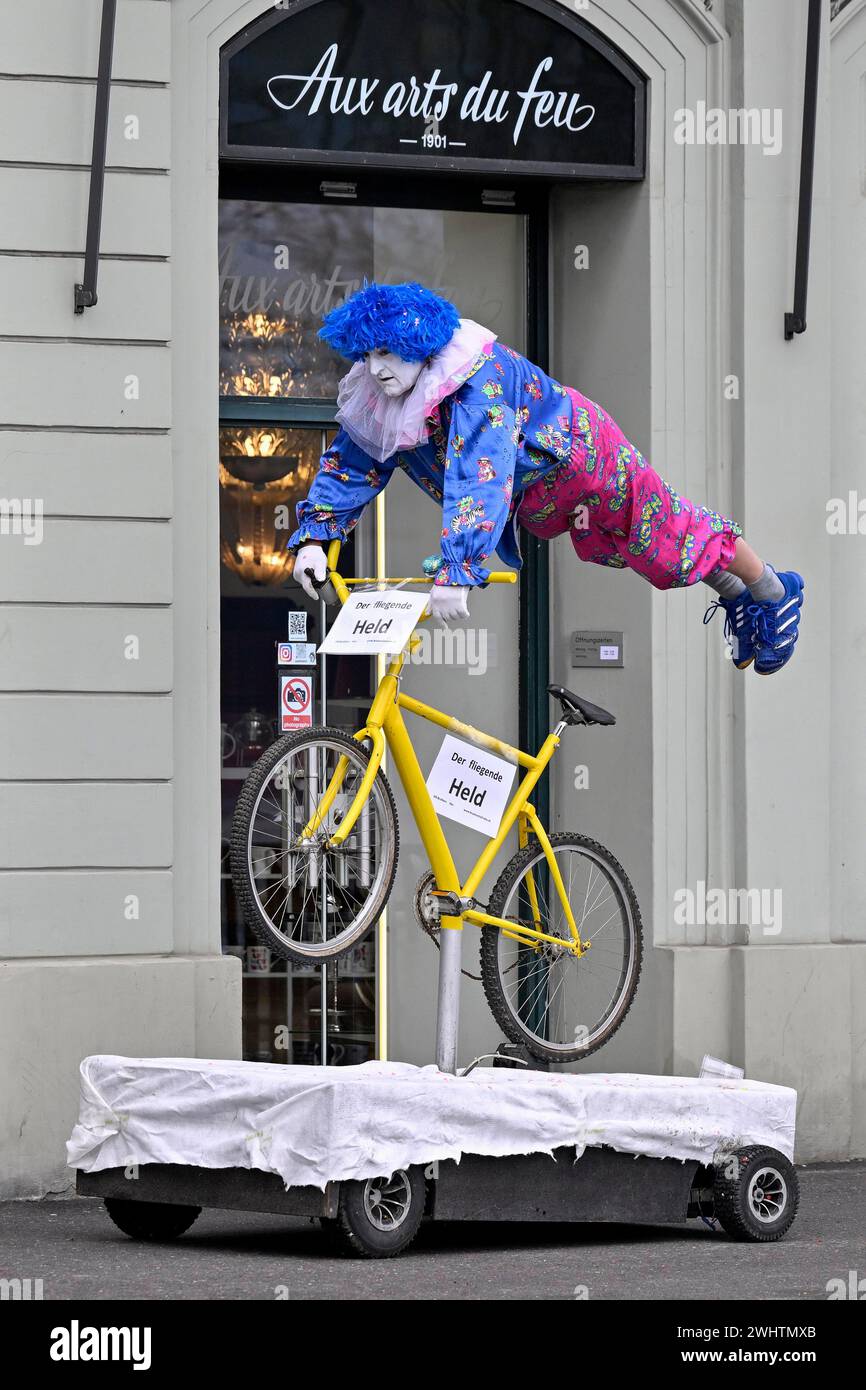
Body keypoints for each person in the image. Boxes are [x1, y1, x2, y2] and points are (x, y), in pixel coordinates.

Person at [287, 282, 804, 674]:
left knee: (661, 538)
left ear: (418, 342)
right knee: (637, 555)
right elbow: (352, 464)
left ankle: (774, 590)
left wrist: (459, 567)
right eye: (367, 354)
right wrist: (314, 537)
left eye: (387, 352)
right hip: (537, 493)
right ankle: (738, 593)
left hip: (582, 457)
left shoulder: (477, 381)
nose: (376, 369)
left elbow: (479, 473)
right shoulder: (382, 396)